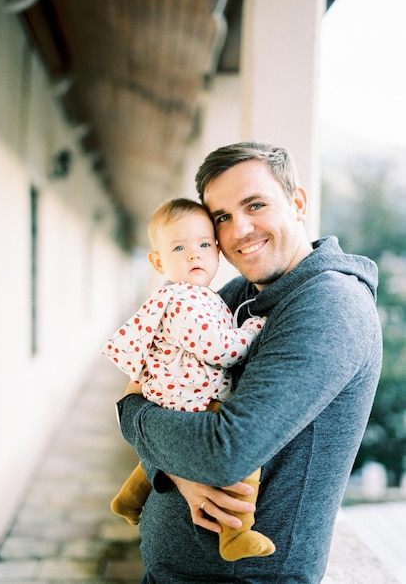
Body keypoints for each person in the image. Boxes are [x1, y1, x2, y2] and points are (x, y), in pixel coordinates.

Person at [116, 141, 382, 583]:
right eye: (222, 217)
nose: (239, 230)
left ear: (296, 202)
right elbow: (152, 377)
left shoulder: (330, 306)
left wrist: (132, 417)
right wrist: (181, 473)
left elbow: (223, 452)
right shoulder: (241, 293)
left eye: (255, 205)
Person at [100, 197, 275, 561]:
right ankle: (235, 535)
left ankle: (129, 500)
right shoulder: (186, 300)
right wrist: (253, 328)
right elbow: (221, 350)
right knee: (249, 462)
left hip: (170, 394)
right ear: (158, 261)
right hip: (191, 399)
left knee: (161, 454)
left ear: (217, 250)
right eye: (180, 247)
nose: (195, 255)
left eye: (204, 244)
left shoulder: (188, 295)